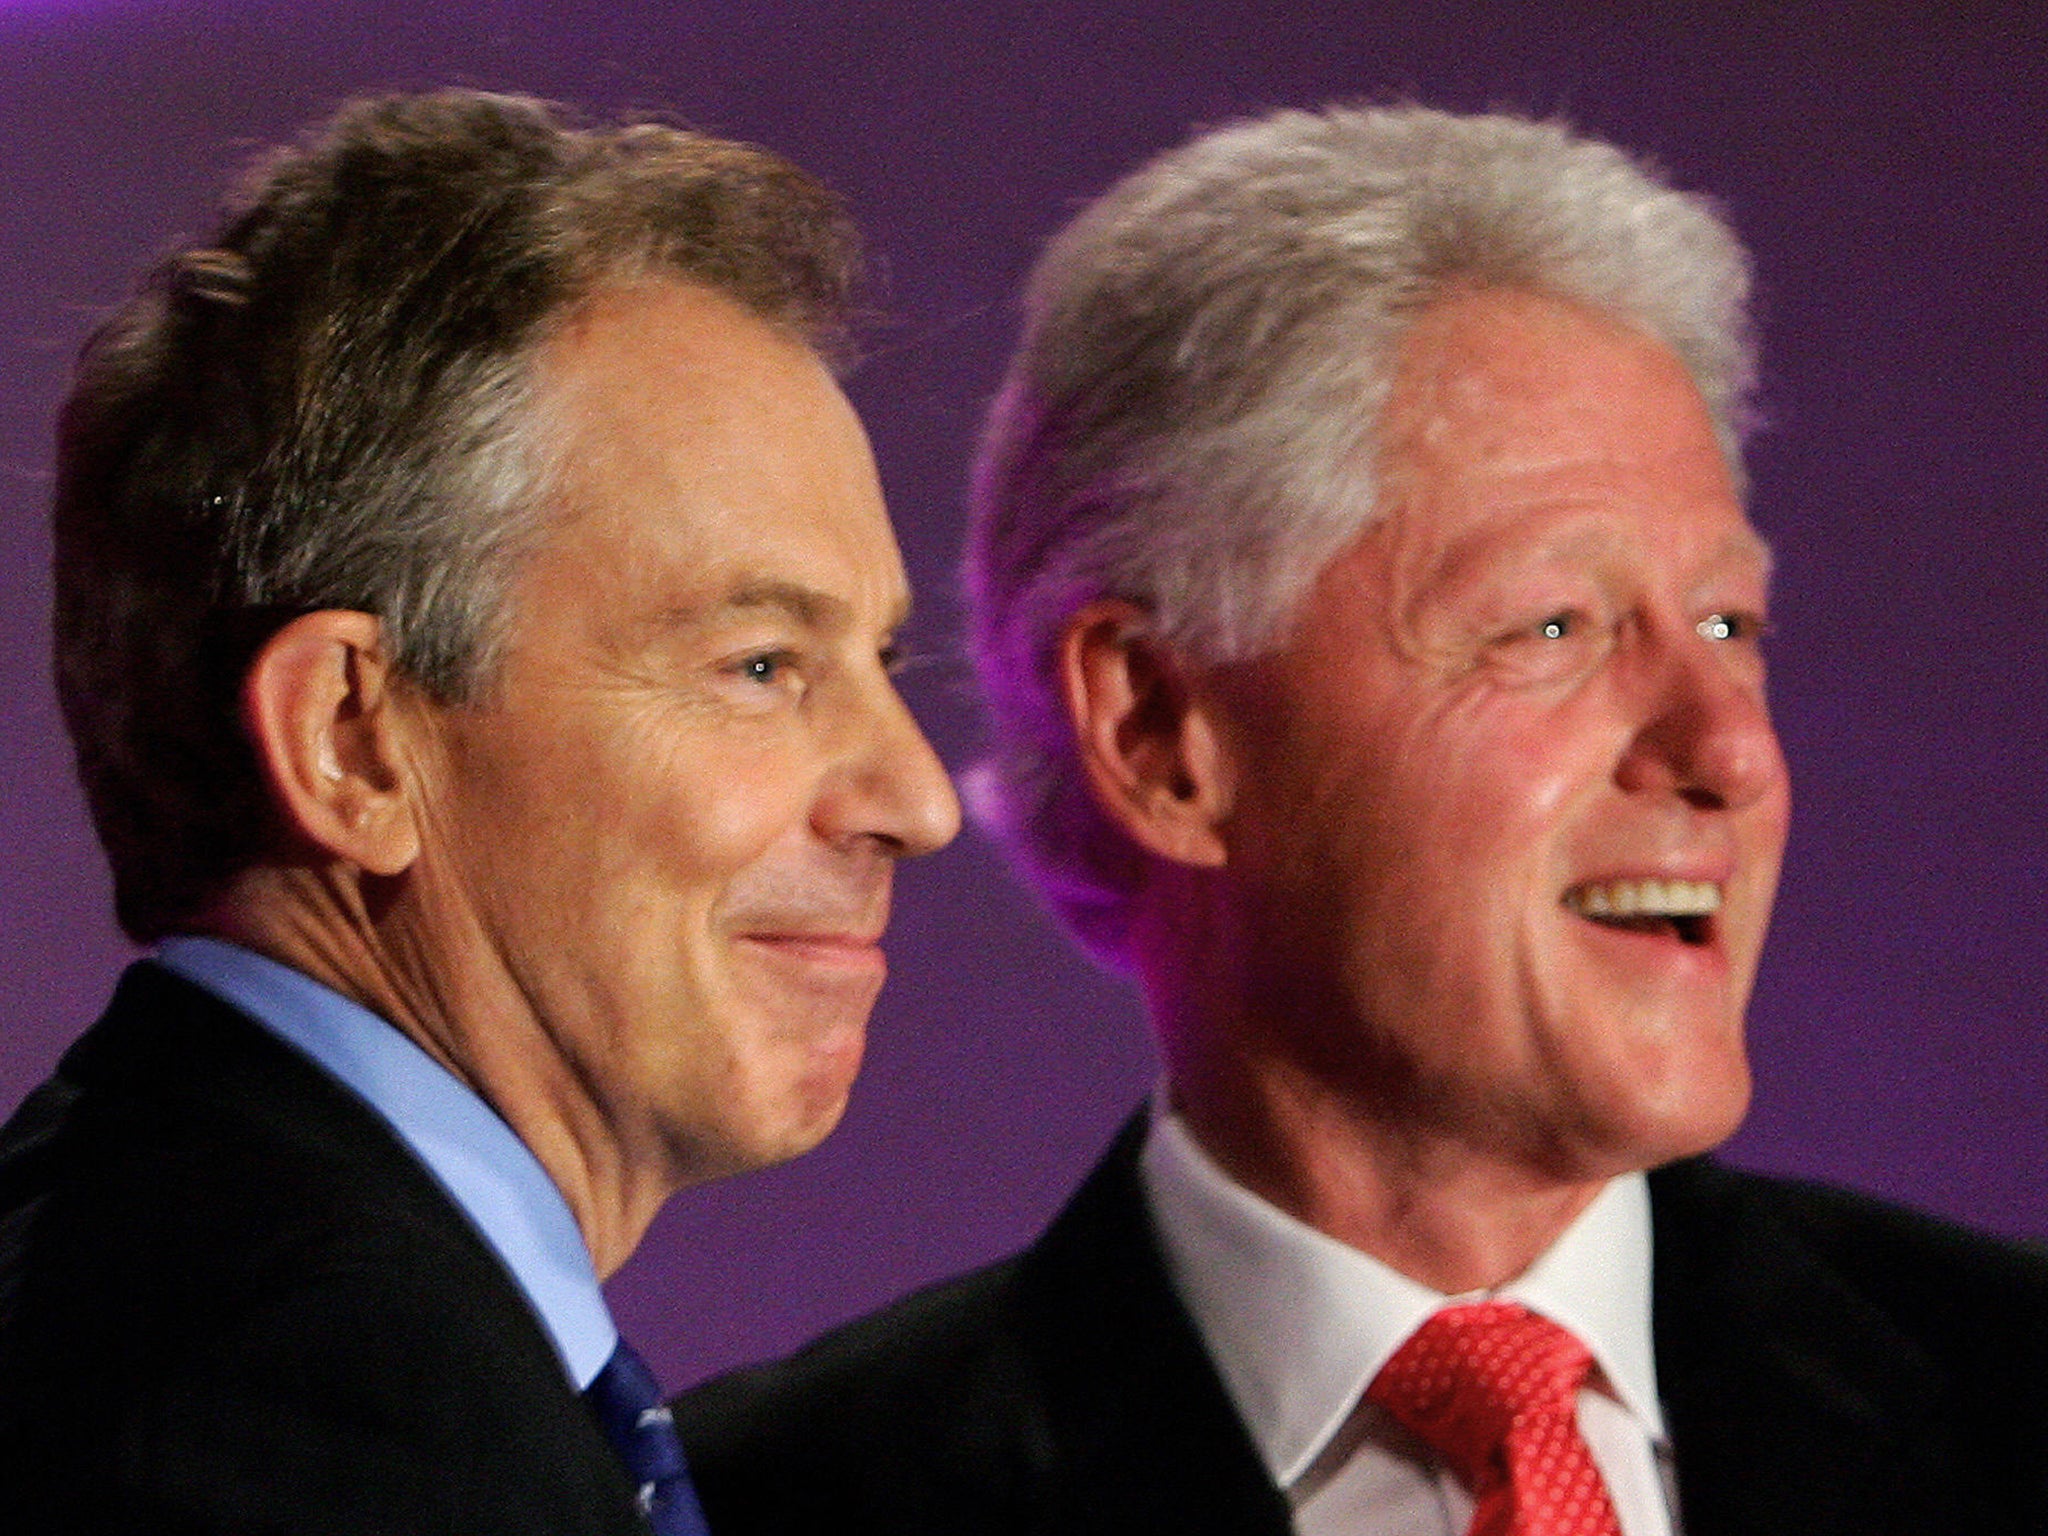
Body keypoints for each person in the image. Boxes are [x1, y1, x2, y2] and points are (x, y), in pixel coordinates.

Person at [673, 104, 2048, 1535]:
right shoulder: (769, 1508)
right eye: (1554, 624)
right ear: (1159, 732)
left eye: (1729, 620)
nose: (1731, 750)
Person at [0, 88, 959, 1533]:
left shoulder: (179, 1258)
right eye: (760, 665)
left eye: (876, 663)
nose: (919, 799)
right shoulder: (312, 1408)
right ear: (352, 742)